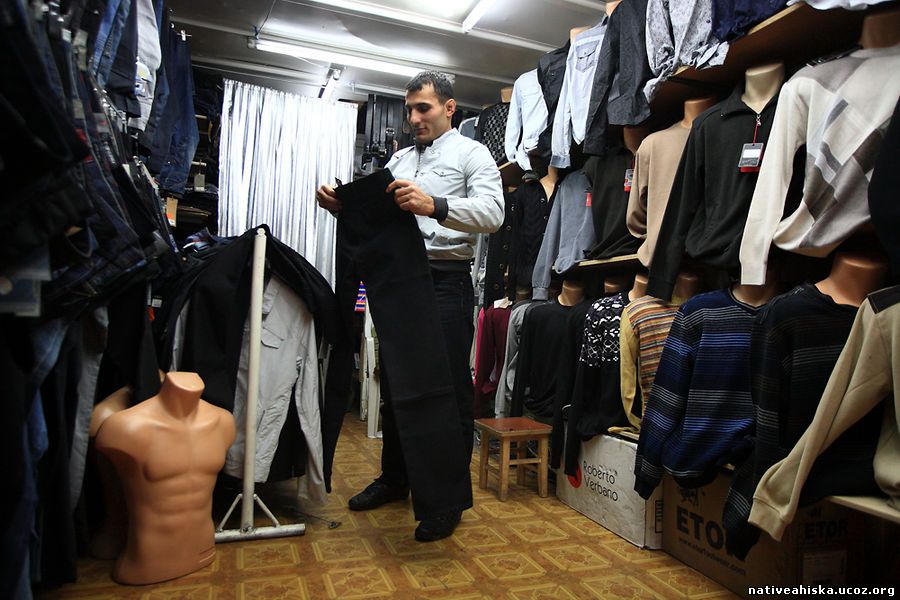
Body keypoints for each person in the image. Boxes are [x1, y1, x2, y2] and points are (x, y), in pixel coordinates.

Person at [316, 71, 504, 541]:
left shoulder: (472, 154)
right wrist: (345, 207)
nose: (414, 117)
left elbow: (494, 214)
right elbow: (381, 221)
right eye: (409, 109)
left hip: (445, 283)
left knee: (445, 392)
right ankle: (397, 479)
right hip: (398, 282)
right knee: (400, 386)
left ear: (449, 108)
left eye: (423, 108)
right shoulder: (399, 159)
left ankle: (444, 500)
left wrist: (435, 205)